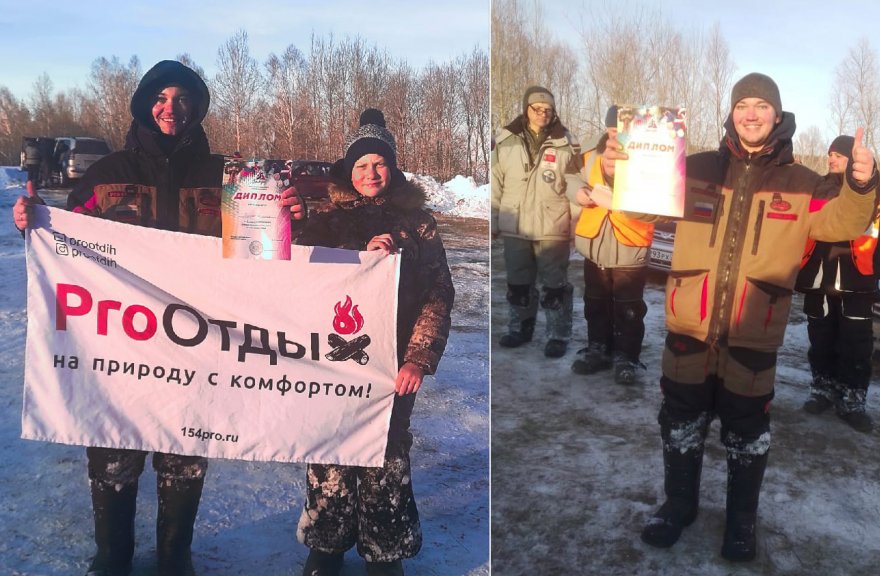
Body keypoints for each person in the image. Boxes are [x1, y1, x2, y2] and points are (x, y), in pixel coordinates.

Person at [13, 60, 305, 576]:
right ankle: (113, 557)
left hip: (195, 345)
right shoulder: (108, 175)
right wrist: (32, 223)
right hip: (118, 349)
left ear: (197, 109)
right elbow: (66, 242)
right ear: (145, 104)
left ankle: (175, 555)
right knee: (113, 456)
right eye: (162, 98)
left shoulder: (228, 178)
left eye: (185, 99)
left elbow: (259, 255)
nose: (173, 109)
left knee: (185, 454)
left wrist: (287, 219)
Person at [606, 73, 879, 561]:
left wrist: (859, 185)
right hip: (690, 323)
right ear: (731, 113)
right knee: (680, 422)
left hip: (756, 329)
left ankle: (740, 522)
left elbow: (845, 221)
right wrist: (617, 171)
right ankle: (679, 506)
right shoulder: (695, 167)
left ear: (777, 114)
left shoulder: (802, 181)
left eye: (761, 105)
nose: (750, 114)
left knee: (747, 434)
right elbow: (643, 208)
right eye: (742, 105)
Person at [293, 109, 454, 576]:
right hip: (331, 360)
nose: (371, 173)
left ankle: (385, 554)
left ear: (393, 169)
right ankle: (325, 547)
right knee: (330, 450)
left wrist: (419, 358)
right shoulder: (327, 221)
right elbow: (297, 275)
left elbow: (438, 291)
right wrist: (357, 257)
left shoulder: (419, 224)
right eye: (361, 165)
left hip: (391, 363)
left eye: (379, 164)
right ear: (349, 171)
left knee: (386, 455)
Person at [795, 135, 880, 432]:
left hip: (858, 284)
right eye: (830, 154)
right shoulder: (817, 188)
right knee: (820, 342)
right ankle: (822, 391)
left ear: (853, 159)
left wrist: (875, 271)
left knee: (855, 347)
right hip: (819, 281)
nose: (831, 159)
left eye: (838, 155)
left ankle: (852, 402)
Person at [491, 86, 581, 358]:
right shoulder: (506, 140)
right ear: (526, 108)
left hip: (552, 224)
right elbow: (496, 184)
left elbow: (575, 185)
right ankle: (521, 328)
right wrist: (494, 221)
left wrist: (576, 225)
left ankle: (558, 334)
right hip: (514, 222)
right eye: (537, 108)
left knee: (555, 283)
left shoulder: (566, 143)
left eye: (548, 109)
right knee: (518, 281)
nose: (542, 113)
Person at [567, 105, 653, 385]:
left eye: (623, 129)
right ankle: (598, 349)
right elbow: (569, 177)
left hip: (631, 242)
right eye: (613, 128)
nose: (618, 134)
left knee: (629, 307)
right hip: (595, 243)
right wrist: (577, 193)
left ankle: (626, 356)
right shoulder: (590, 155)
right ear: (606, 128)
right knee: (595, 301)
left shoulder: (648, 157)